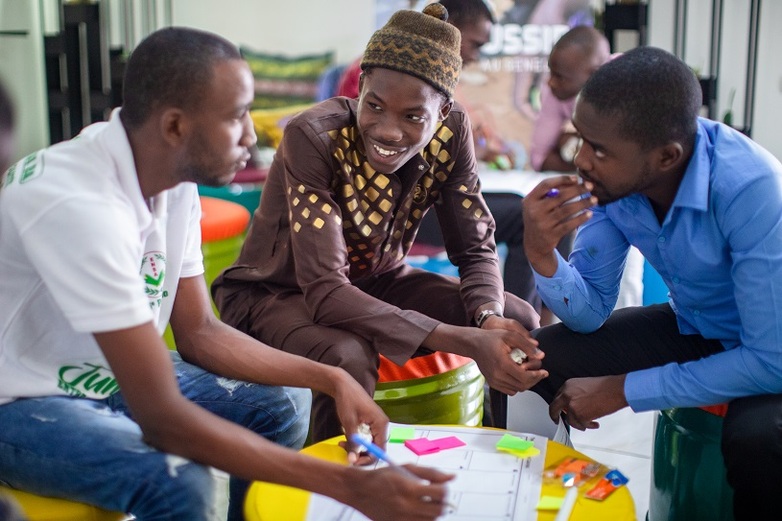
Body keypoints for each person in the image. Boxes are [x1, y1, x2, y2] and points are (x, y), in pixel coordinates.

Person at [0, 27, 457, 521]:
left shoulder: (168, 179)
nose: (251, 134)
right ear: (175, 126)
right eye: (237, 115)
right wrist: (349, 485)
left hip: (99, 375)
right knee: (181, 484)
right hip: (20, 399)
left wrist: (331, 380)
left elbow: (199, 333)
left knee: (279, 405)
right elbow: (163, 423)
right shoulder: (80, 207)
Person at [213, 3, 545, 443]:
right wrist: (466, 342)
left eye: (413, 116)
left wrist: (485, 318)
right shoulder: (314, 137)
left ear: (443, 112)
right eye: (375, 106)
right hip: (275, 294)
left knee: (516, 316)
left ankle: (507, 455)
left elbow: (474, 246)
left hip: (376, 279)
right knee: (346, 354)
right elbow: (327, 293)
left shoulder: (452, 133)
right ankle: (334, 487)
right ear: (361, 86)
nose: (389, 130)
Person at [521, 46, 782, 520]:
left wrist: (623, 388)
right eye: (581, 139)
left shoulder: (752, 190)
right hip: (698, 327)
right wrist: (542, 252)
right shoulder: (614, 187)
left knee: (758, 439)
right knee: (533, 362)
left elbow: (770, 360)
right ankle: (531, 502)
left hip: (769, 347)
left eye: (598, 150)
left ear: (666, 157)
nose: (580, 160)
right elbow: (591, 312)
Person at [528, 25, 609, 173]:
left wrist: (571, 144)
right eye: (551, 73)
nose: (550, 82)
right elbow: (538, 158)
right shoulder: (554, 94)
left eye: (559, 77)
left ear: (595, 74)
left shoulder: (626, 83)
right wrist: (571, 147)